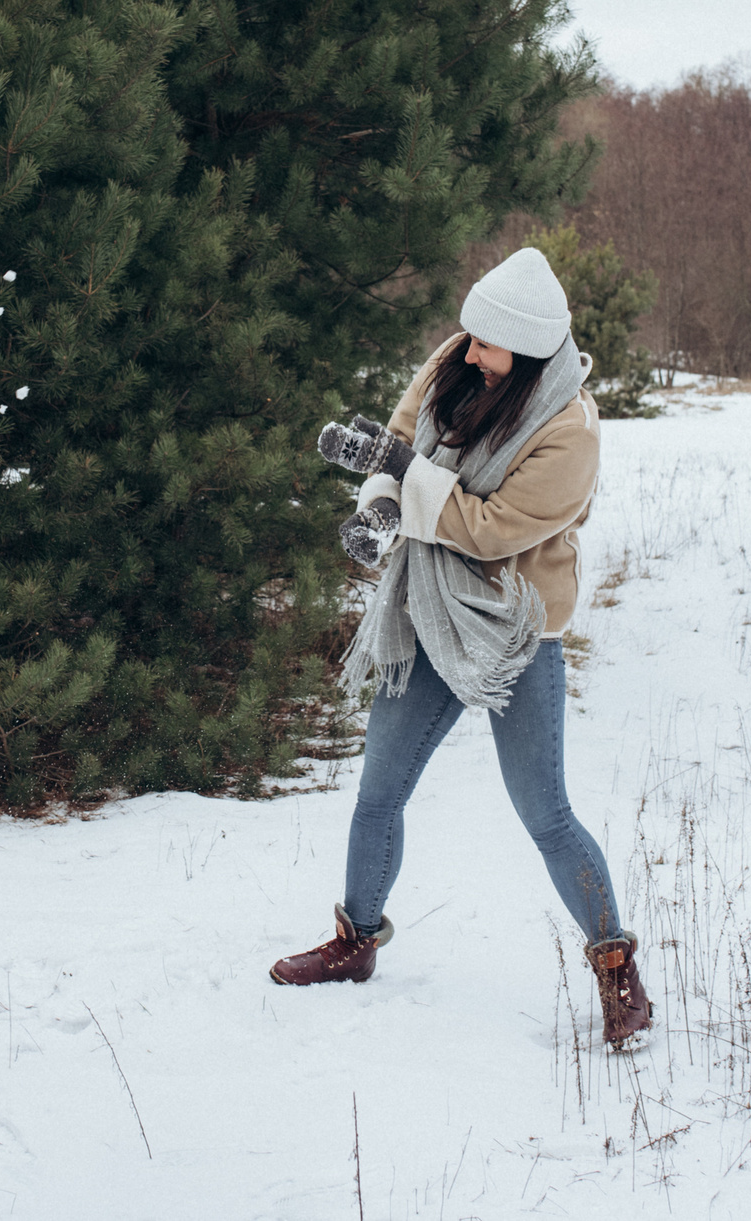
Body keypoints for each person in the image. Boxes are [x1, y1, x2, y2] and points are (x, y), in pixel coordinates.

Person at [273, 246, 653, 1048]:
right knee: (379, 790)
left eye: (486, 342)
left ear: (529, 351)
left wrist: (401, 477)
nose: (465, 348)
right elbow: (400, 445)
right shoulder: (459, 357)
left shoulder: (569, 431)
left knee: (545, 812)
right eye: (468, 333)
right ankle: (355, 940)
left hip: (514, 625)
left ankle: (617, 968)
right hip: (425, 605)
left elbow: (486, 530)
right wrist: (379, 509)